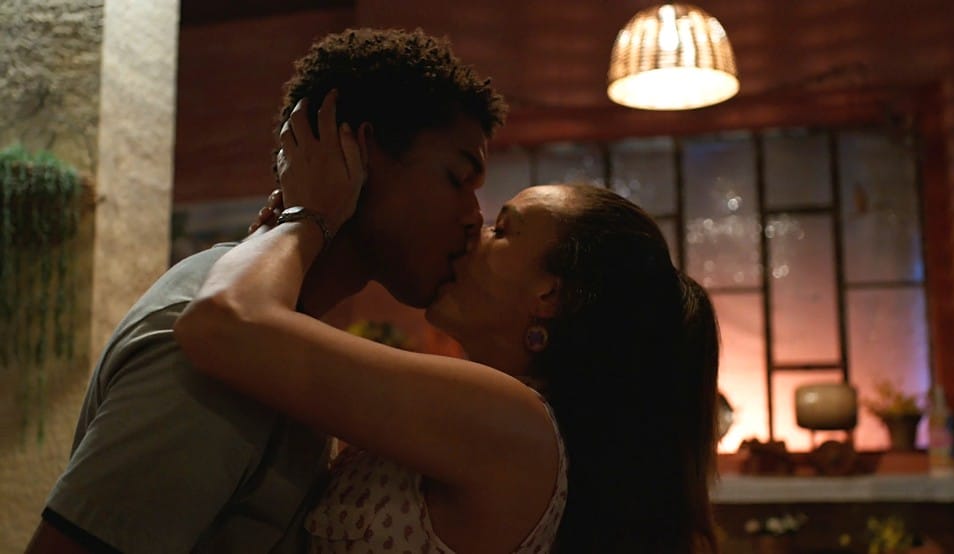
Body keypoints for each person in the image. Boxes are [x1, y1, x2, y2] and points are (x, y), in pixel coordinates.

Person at [173, 91, 722, 552]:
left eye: (503, 230)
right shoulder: (501, 418)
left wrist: (306, 215)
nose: (473, 226)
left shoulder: (511, 420)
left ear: (548, 295)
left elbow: (223, 325)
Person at [27, 28, 506, 553]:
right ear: (359, 152)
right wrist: (307, 218)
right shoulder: (212, 339)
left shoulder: (278, 338)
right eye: (457, 178)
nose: (474, 216)